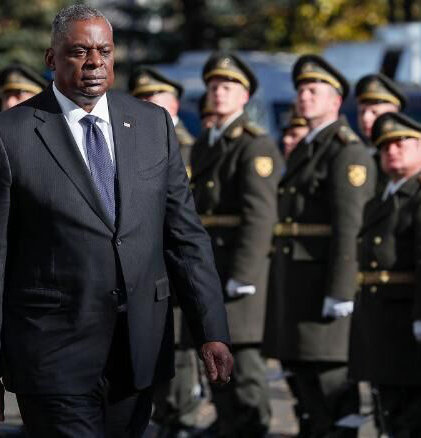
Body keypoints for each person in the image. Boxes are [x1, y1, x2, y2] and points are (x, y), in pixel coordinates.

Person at [0, 5, 233, 437]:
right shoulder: (8, 135)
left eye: (104, 52)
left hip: (137, 350)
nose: (94, 63)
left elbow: (184, 237)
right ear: (51, 59)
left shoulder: (152, 125)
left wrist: (211, 329)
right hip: (52, 355)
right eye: (79, 52)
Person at [264, 54, 376, 438]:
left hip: (324, 287)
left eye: (314, 90)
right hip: (299, 287)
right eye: (301, 90)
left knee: (331, 389)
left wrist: (342, 290)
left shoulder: (345, 150)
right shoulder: (309, 147)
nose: (304, 96)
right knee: (307, 392)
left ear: (335, 100)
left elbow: (351, 226)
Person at [189, 52, 282, 438]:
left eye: (228, 86)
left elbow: (260, 215)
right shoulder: (207, 143)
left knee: (243, 365)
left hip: (238, 270)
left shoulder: (253, 145)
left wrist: (244, 273)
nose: (218, 92)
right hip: (210, 266)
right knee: (217, 365)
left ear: (245, 96)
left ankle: (252, 429)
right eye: (213, 85)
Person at [128, 67, 202, 437]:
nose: (147, 104)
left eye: (155, 97)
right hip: (140, 261)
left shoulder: (189, 147)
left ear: (174, 104)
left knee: (179, 343)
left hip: (174, 258)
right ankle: (159, 414)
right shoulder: (128, 141)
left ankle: (181, 414)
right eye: (141, 98)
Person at [349, 112, 421, 437]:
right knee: (388, 411)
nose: (392, 151)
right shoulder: (378, 201)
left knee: (411, 415)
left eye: (401, 143)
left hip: (407, 320)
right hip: (379, 321)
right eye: (385, 146)